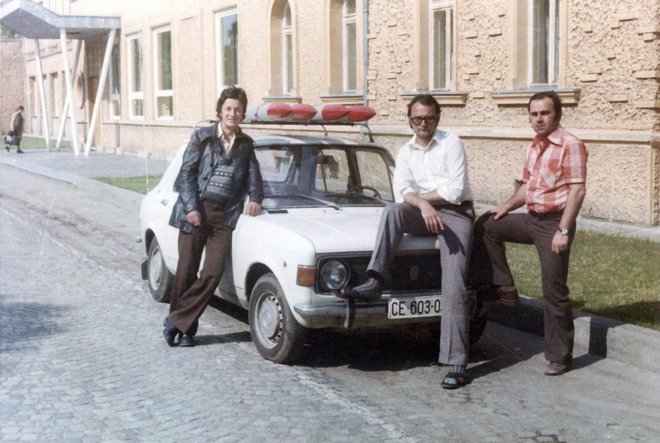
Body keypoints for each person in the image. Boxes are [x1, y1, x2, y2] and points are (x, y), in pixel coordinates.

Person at [342, 94, 475, 389]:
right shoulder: (406, 151)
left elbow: (453, 191)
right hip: (421, 211)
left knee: (454, 283)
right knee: (392, 212)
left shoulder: (452, 143)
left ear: (437, 119)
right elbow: (401, 190)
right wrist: (422, 205)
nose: (423, 123)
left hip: (455, 214)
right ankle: (375, 280)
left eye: (428, 118)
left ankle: (456, 362)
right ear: (410, 121)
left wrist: (421, 200)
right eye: (417, 119)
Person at [472, 91, 587, 376]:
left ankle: (560, 356)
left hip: (554, 225)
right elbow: (527, 187)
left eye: (545, 113)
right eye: (534, 114)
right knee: (486, 224)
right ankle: (505, 286)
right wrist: (505, 207)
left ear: (557, 115)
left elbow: (577, 190)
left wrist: (563, 230)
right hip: (531, 219)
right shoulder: (534, 147)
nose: (539, 119)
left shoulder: (570, 145)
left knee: (554, 291)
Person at [163, 86, 263, 347]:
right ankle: (186, 331)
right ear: (220, 111)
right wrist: (192, 208)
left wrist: (255, 199)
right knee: (186, 272)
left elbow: (255, 177)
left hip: (224, 218)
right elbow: (186, 175)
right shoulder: (202, 137)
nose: (233, 113)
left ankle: (174, 321)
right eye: (228, 108)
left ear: (242, 114)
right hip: (195, 213)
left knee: (212, 273)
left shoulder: (245, 144)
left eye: (238, 109)